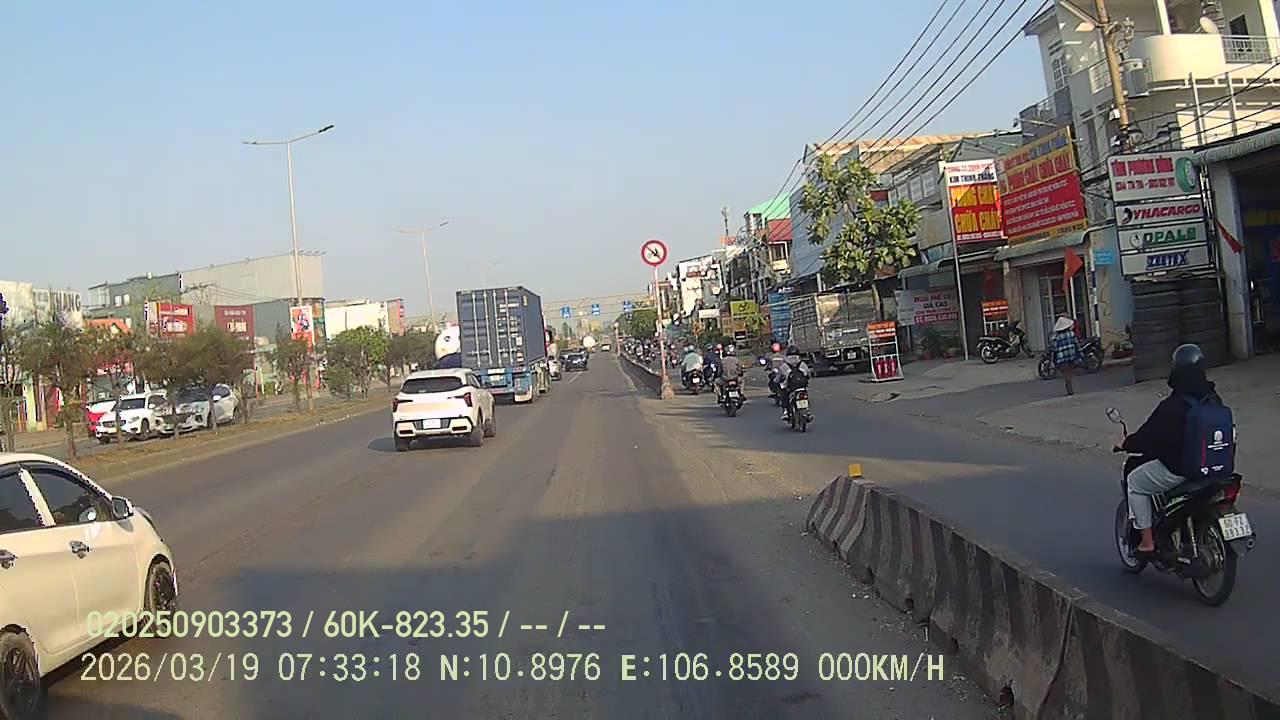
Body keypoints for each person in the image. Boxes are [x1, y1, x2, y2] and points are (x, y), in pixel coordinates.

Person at [1116, 344, 1220, 554]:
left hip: (1182, 470)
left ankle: (1147, 541)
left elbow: (1148, 436)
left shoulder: (1173, 405)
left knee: (1135, 482)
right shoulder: (1213, 400)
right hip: (1215, 467)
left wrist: (1125, 444)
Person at [1049, 314, 1083, 396]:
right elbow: (1077, 345)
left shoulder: (1057, 337)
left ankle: (1069, 389)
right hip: (1071, 356)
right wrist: (1080, 355)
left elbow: (1054, 347)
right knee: (1069, 372)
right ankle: (1069, 387)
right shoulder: (1071, 334)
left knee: (1066, 373)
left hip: (1062, 358)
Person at [776, 345, 811, 421]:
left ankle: (785, 412)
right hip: (802, 386)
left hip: (790, 387)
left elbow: (778, 377)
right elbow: (808, 374)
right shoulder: (802, 364)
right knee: (805, 394)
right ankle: (807, 411)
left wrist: (777, 381)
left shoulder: (784, 365)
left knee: (783, 394)